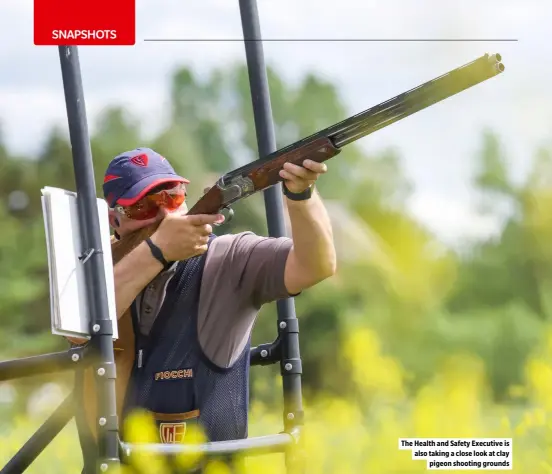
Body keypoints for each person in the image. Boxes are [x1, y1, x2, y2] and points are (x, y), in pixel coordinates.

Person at [74, 147, 336, 469]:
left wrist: (301, 195)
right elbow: (85, 328)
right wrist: (157, 252)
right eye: (143, 206)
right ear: (114, 221)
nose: (166, 217)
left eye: (171, 197)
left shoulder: (230, 257)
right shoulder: (101, 274)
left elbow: (316, 265)